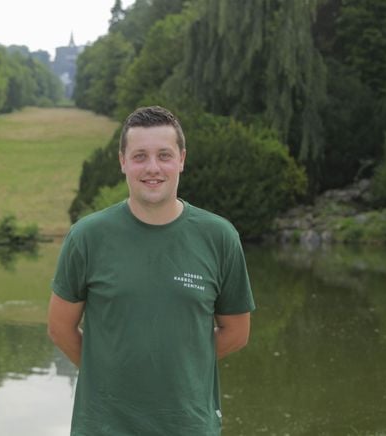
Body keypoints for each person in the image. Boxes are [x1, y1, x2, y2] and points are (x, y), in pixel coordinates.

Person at [47, 106, 255, 435]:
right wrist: (112, 373)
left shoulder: (219, 237)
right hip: (104, 426)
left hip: (189, 426)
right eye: (140, 156)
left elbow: (237, 332)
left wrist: (181, 366)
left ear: (182, 159)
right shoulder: (87, 237)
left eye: (164, 155)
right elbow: (60, 328)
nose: (153, 168)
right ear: (123, 162)